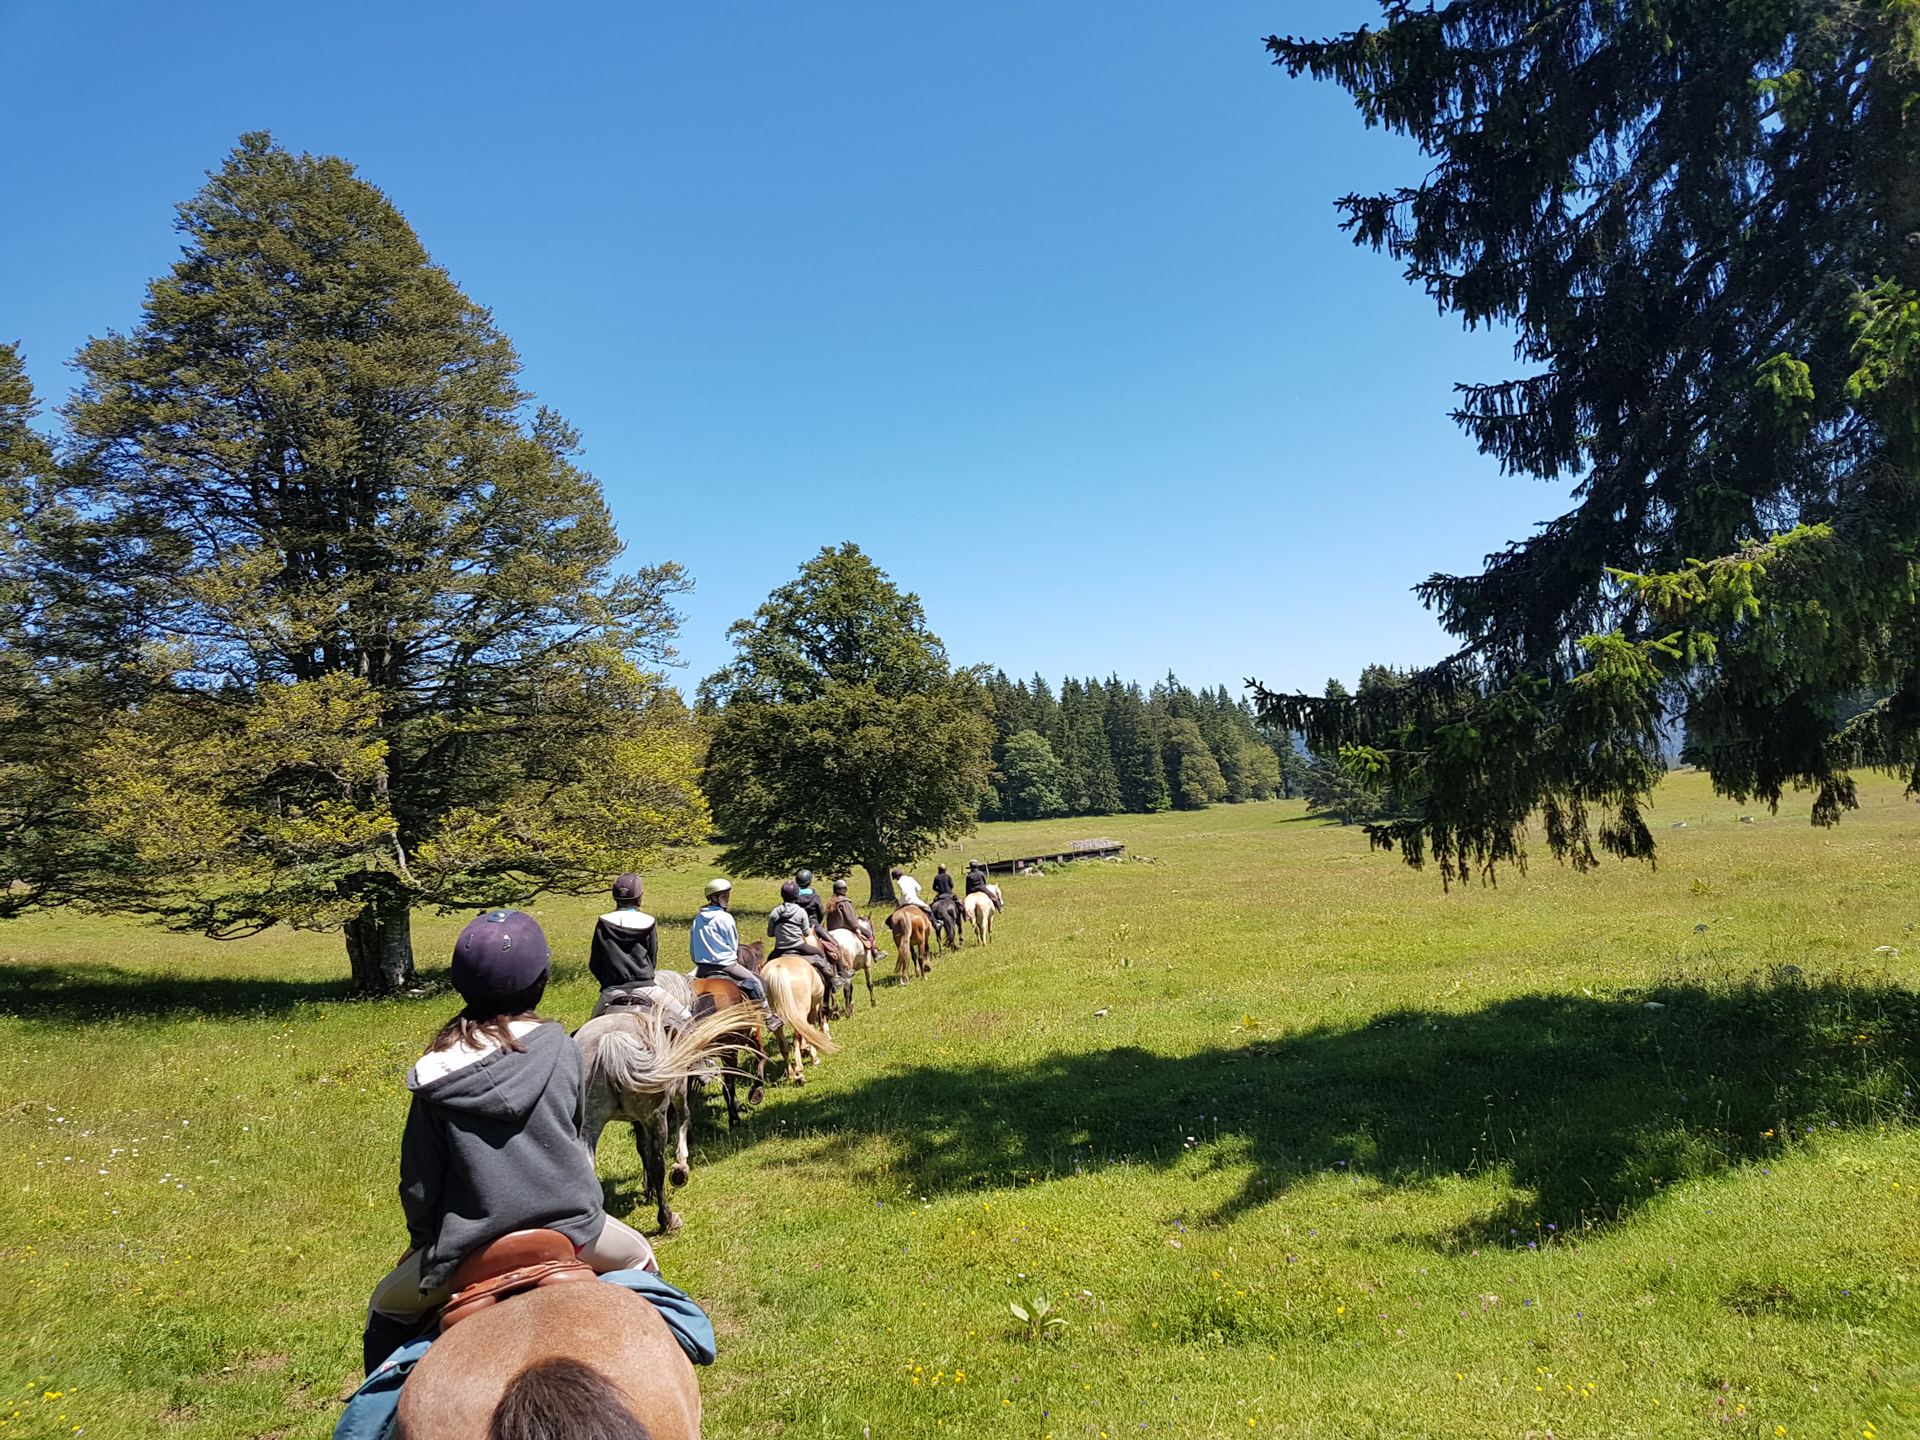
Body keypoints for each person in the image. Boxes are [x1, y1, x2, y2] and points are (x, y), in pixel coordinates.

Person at [361, 909, 659, 1373]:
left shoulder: (435, 1074)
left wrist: (424, 1241)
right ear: (541, 981)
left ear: (461, 982)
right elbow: (574, 1132)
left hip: (468, 1247)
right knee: (642, 1260)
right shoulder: (562, 1048)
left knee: (385, 1308)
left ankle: (376, 1402)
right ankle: (677, 1355)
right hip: (574, 1232)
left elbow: (418, 1185)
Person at [587, 873, 692, 1023]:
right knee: (686, 1017)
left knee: (585, 1030)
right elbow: (652, 958)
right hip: (647, 989)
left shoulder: (603, 923)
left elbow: (595, 963)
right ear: (639, 897)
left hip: (612, 991)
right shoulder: (648, 922)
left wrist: (609, 983)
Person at [690, 879, 781, 1031]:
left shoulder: (698, 918)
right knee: (756, 982)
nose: (727, 898)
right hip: (727, 965)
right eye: (723, 896)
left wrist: (698, 959)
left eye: (727, 895)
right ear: (713, 898)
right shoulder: (725, 918)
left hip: (702, 967)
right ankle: (768, 1017)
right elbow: (733, 943)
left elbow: (693, 943)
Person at [768, 879, 841, 997]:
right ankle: (833, 981)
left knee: (767, 965)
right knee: (820, 955)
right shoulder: (801, 912)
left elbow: (770, 933)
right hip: (799, 946)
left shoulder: (775, 912)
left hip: (780, 948)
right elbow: (806, 933)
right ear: (796, 895)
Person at [825, 877, 880, 960]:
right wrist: (856, 927)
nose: (846, 890)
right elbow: (850, 917)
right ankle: (875, 953)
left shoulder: (832, 901)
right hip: (845, 926)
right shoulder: (844, 901)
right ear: (839, 890)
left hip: (832, 928)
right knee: (868, 933)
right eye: (844, 888)